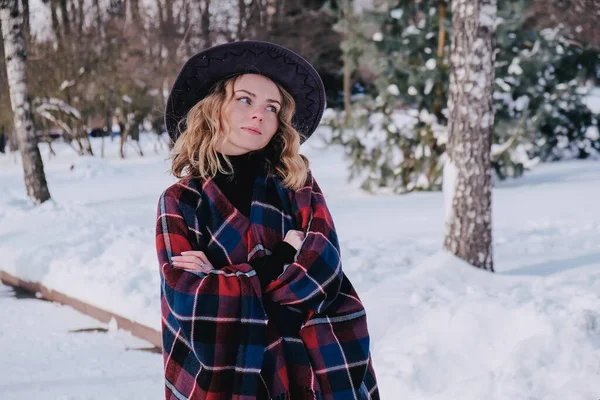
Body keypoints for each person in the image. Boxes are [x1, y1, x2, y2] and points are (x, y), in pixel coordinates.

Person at [156, 41, 379, 400]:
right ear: (214, 108)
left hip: (308, 367)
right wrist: (280, 259)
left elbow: (322, 273)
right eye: (245, 99)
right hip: (226, 376)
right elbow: (192, 302)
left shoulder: (295, 184)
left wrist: (226, 280)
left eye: (271, 107)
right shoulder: (180, 201)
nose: (259, 114)